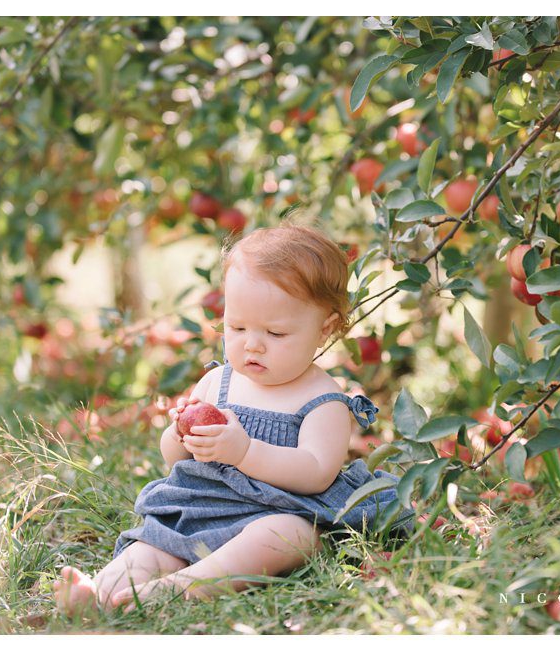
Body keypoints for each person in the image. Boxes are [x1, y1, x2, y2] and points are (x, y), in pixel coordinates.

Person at [54, 219, 412, 615]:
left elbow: (316, 474)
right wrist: (179, 434)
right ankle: (99, 593)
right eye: (237, 327)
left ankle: (181, 587)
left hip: (279, 513)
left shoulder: (323, 400)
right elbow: (176, 462)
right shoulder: (217, 382)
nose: (252, 345)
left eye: (275, 333)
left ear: (324, 329)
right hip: (203, 510)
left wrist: (244, 452)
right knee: (155, 545)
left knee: (289, 536)